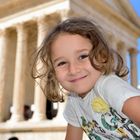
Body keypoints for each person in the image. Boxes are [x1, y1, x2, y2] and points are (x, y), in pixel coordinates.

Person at [32, 17, 140, 140]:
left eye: (82, 56)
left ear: (102, 56)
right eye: (62, 63)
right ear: (53, 73)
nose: (73, 69)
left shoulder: (108, 86)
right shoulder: (74, 102)